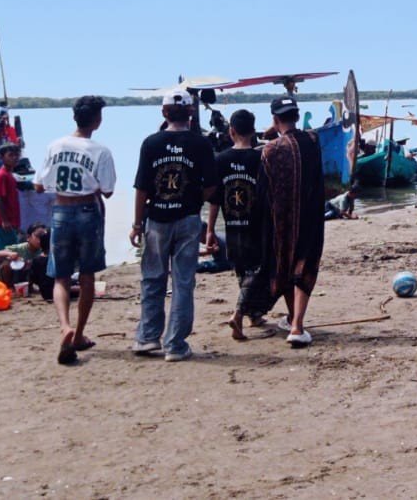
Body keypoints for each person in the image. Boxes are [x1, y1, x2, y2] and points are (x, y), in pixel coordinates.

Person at [131, 90, 218, 362]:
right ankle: (175, 344)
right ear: (191, 112)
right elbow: (213, 184)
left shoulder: (151, 143)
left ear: (163, 112)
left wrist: (136, 223)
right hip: (188, 219)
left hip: (156, 218)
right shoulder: (200, 143)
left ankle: (148, 338)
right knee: (182, 282)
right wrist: (193, 201)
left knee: (152, 279)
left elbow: (142, 188)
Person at [33, 95, 118, 366]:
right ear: (98, 120)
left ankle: (64, 326)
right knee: (87, 276)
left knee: (60, 276)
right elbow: (108, 191)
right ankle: (79, 333)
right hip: (87, 211)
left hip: (60, 210)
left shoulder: (54, 145)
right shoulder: (100, 151)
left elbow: (38, 185)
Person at [263, 95, 326, 347]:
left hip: (281, 219)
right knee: (305, 266)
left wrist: (273, 134)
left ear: (275, 119)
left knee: (286, 265)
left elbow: (265, 187)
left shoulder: (270, 150)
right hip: (310, 214)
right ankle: (297, 324)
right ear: (297, 117)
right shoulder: (313, 139)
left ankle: (294, 321)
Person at [205, 110, 272, 341]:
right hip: (256, 227)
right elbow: (267, 196)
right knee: (258, 270)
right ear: (254, 132)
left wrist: (210, 229)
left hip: (232, 224)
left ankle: (254, 315)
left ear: (231, 131)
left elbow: (214, 199)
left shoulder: (220, 160)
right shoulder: (260, 159)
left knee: (242, 270)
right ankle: (239, 314)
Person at [0, 222, 52, 300]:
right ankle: (8, 289)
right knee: (6, 264)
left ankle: (33, 288)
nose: (40, 240)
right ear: (28, 237)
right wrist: (10, 254)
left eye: (43, 236)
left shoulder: (45, 250)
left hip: (30, 279)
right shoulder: (21, 248)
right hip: (16, 277)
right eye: (37, 236)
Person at [0, 143, 23, 252]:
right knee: (8, 254)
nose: (15, 158)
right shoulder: (2, 175)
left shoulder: (9, 174)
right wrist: (5, 221)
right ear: (2, 157)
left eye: (16, 155)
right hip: (3, 223)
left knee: (8, 253)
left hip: (9, 221)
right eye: (10, 155)